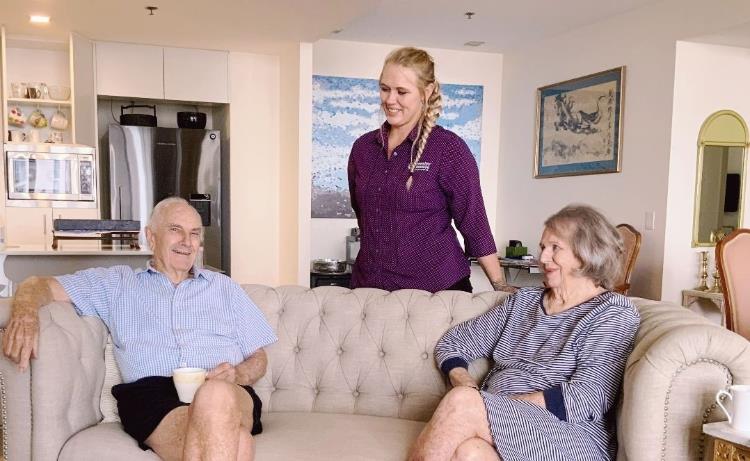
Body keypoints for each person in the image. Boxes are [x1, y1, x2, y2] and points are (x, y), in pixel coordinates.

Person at [2, 197, 277, 461]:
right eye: (175, 230)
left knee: (215, 395)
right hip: (151, 397)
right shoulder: (117, 284)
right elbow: (40, 284)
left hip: (228, 391)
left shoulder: (224, 288)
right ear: (151, 236)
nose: (186, 242)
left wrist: (238, 373)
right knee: (238, 443)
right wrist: (25, 312)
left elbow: (259, 357)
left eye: (194, 234)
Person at [408, 205, 640, 461]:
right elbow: (455, 342)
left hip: (569, 436)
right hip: (511, 425)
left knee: (462, 403)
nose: (542, 258)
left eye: (555, 248)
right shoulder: (523, 302)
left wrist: (491, 406)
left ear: (586, 254)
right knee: (468, 452)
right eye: (543, 247)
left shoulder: (612, 313)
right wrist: (463, 380)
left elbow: (587, 397)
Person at [347, 46, 510, 293]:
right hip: (371, 290)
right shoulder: (363, 149)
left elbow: (474, 221)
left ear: (427, 91)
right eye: (384, 89)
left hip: (437, 291)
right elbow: (365, 215)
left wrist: (500, 285)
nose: (390, 100)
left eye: (402, 91)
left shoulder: (448, 149)